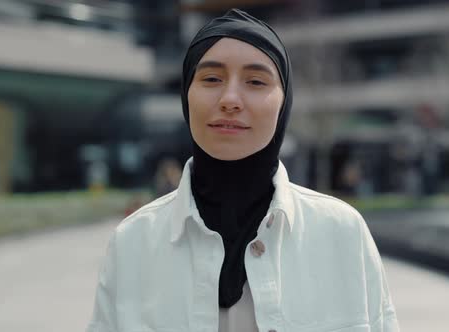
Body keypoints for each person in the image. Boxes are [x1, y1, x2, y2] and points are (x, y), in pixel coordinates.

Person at [87, 9, 399, 332]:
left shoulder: (342, 233)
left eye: (255, 81)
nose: (230, 99)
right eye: (211, 79)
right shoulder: (133, 243)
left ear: (284, 102)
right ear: (186, 96)